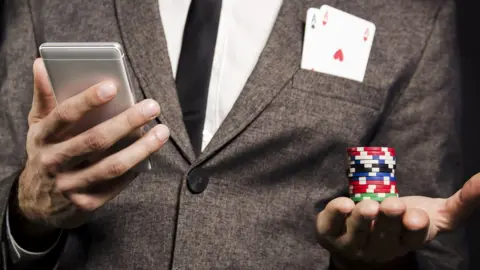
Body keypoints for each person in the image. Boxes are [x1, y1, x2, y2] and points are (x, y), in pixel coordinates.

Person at [0, 0, 475, 269]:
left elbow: (431, 248)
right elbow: (8, 188)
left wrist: (374, 264)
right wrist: (27, 214)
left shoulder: (414, 15)